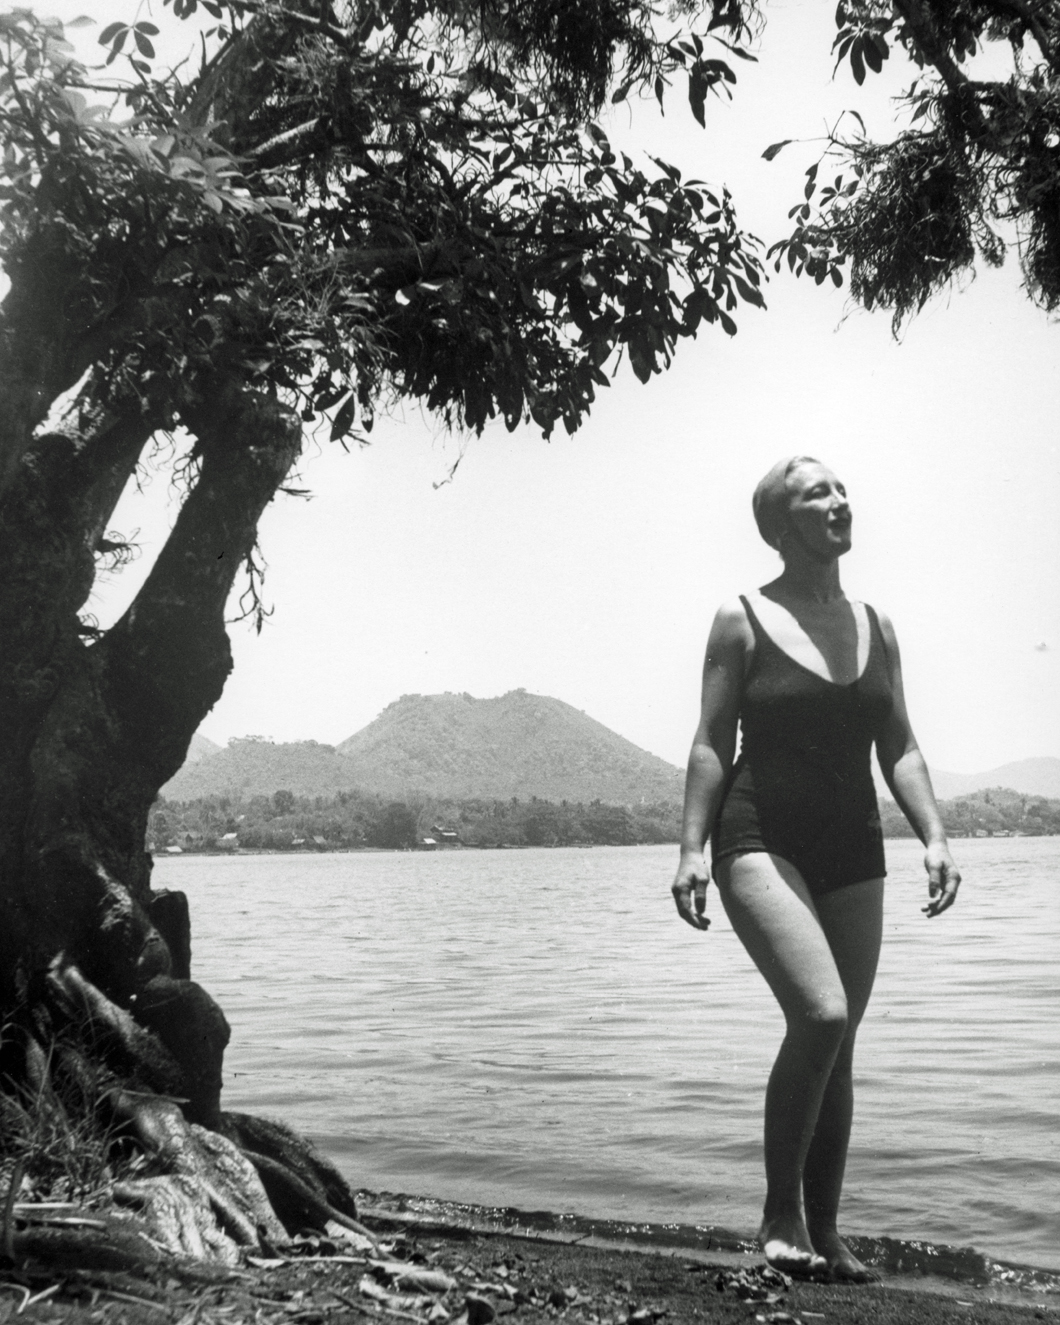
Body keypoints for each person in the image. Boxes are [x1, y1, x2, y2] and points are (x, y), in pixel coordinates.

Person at [671, 456, 961, 1283]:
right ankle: (778, 1215)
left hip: (853, 842)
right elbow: (709, 738)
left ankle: (827, 1234)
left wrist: (934, 835)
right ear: (779, 524)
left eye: (840, 490)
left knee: (843, 1044)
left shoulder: (877, 622)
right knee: (823, 1014)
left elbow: (898, 743)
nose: (838, 503)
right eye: (815, 496)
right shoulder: (742, 616)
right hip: (759, 833)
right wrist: (692, 848)